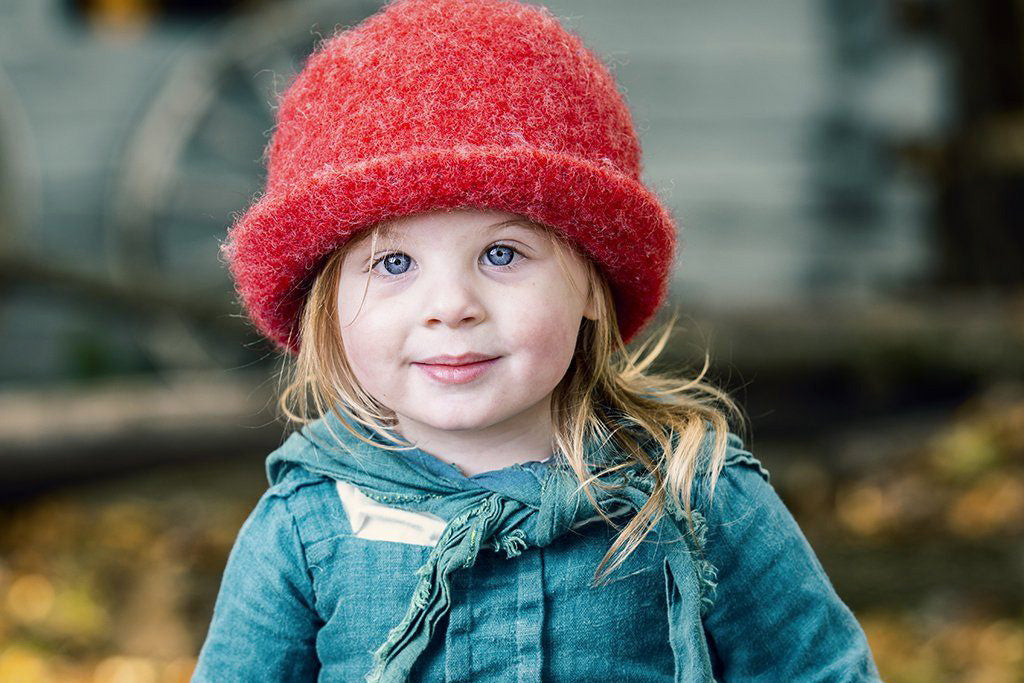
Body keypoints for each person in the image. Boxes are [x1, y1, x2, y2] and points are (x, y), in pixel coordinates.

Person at [192, 0, 885, 680]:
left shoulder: (692, 494)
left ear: (591, 282)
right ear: (329, 308)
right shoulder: (311, 524)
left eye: (502, 254)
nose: (452, 307)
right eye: (394, 263)